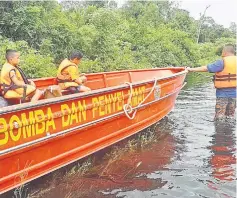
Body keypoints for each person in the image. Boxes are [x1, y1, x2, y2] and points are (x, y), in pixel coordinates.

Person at [187, 44, 236, 119]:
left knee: (219, 118)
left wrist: (191, 69)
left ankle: (219, 130)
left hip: (222, 95)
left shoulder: (222, 62)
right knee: (230, 117)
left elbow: (206, 68)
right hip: (234, 95)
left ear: (225, 52)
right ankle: (229, 130)